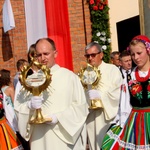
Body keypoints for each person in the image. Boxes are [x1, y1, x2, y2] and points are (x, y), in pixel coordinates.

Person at [14, 38, 89, 150]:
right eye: (39, 55)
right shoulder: (30, 80)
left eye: (46, 54)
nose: (43, 58)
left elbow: (81, 107)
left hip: (63, 138)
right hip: (39, 138)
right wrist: (29, 106)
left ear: (55, 53)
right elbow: (18, 108)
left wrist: (59, 118)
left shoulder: (69, 77)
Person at [101, 35, 150, 149]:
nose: (136, 58)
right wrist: (123, 125)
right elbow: (125, 103)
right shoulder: (129, 76)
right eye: (133, 54)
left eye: (139, 53)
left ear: (148, 50)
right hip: (136, 122)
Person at [84, 42, 123, 149]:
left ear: (101, 55)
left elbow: (118, 92)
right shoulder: (85, 73)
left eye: (93, 55)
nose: (90, 58)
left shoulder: (112, 70)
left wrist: (101, 95)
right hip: (92, 118)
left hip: (107, 118)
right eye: (87, 56)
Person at [0, 69, 23, 149]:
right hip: (12, 115)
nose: (10, 77)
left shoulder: (1, 90)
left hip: (6, 116)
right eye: (9, 75)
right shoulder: (10, 89)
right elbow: (15, 103)